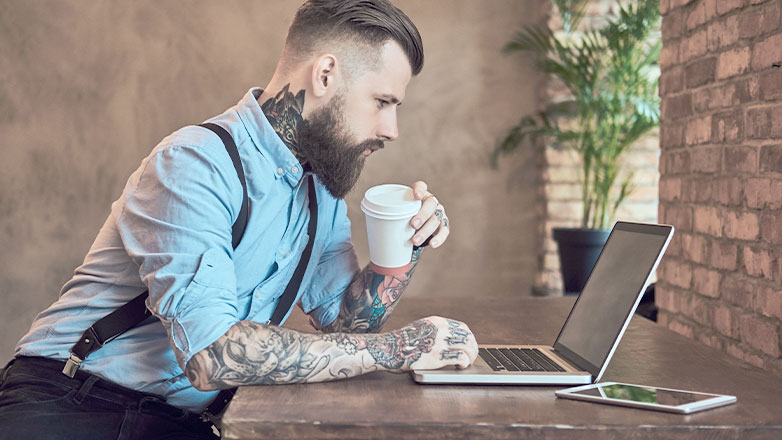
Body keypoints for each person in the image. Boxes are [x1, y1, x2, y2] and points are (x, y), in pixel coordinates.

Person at [0, 1, 478, 438]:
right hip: (71, 403)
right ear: (326, 74)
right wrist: (400, 350)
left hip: (184, 419)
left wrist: (404, 246)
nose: (391, 130)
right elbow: (212, 356)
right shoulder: (193, 163)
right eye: (383, 102)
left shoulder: (321, 185)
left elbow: (345, 328)